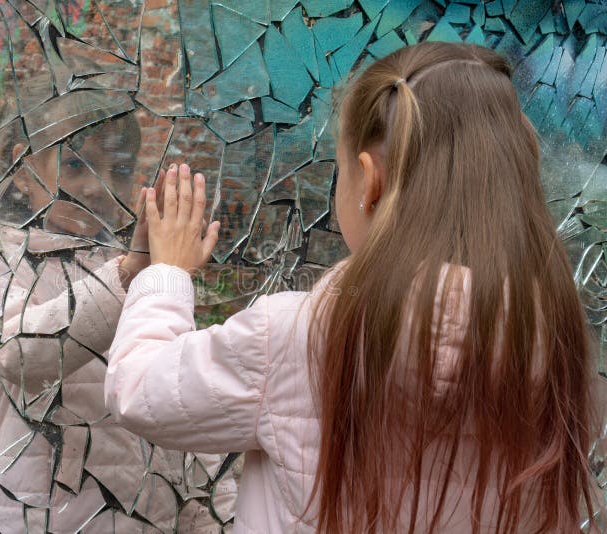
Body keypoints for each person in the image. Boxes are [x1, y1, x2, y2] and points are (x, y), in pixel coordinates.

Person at [105, 42, 602, 533]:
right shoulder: (555, 347)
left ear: (371, 182)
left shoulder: (299, 338)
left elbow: (138, 389)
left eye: (339, 170)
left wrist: (164, 271)